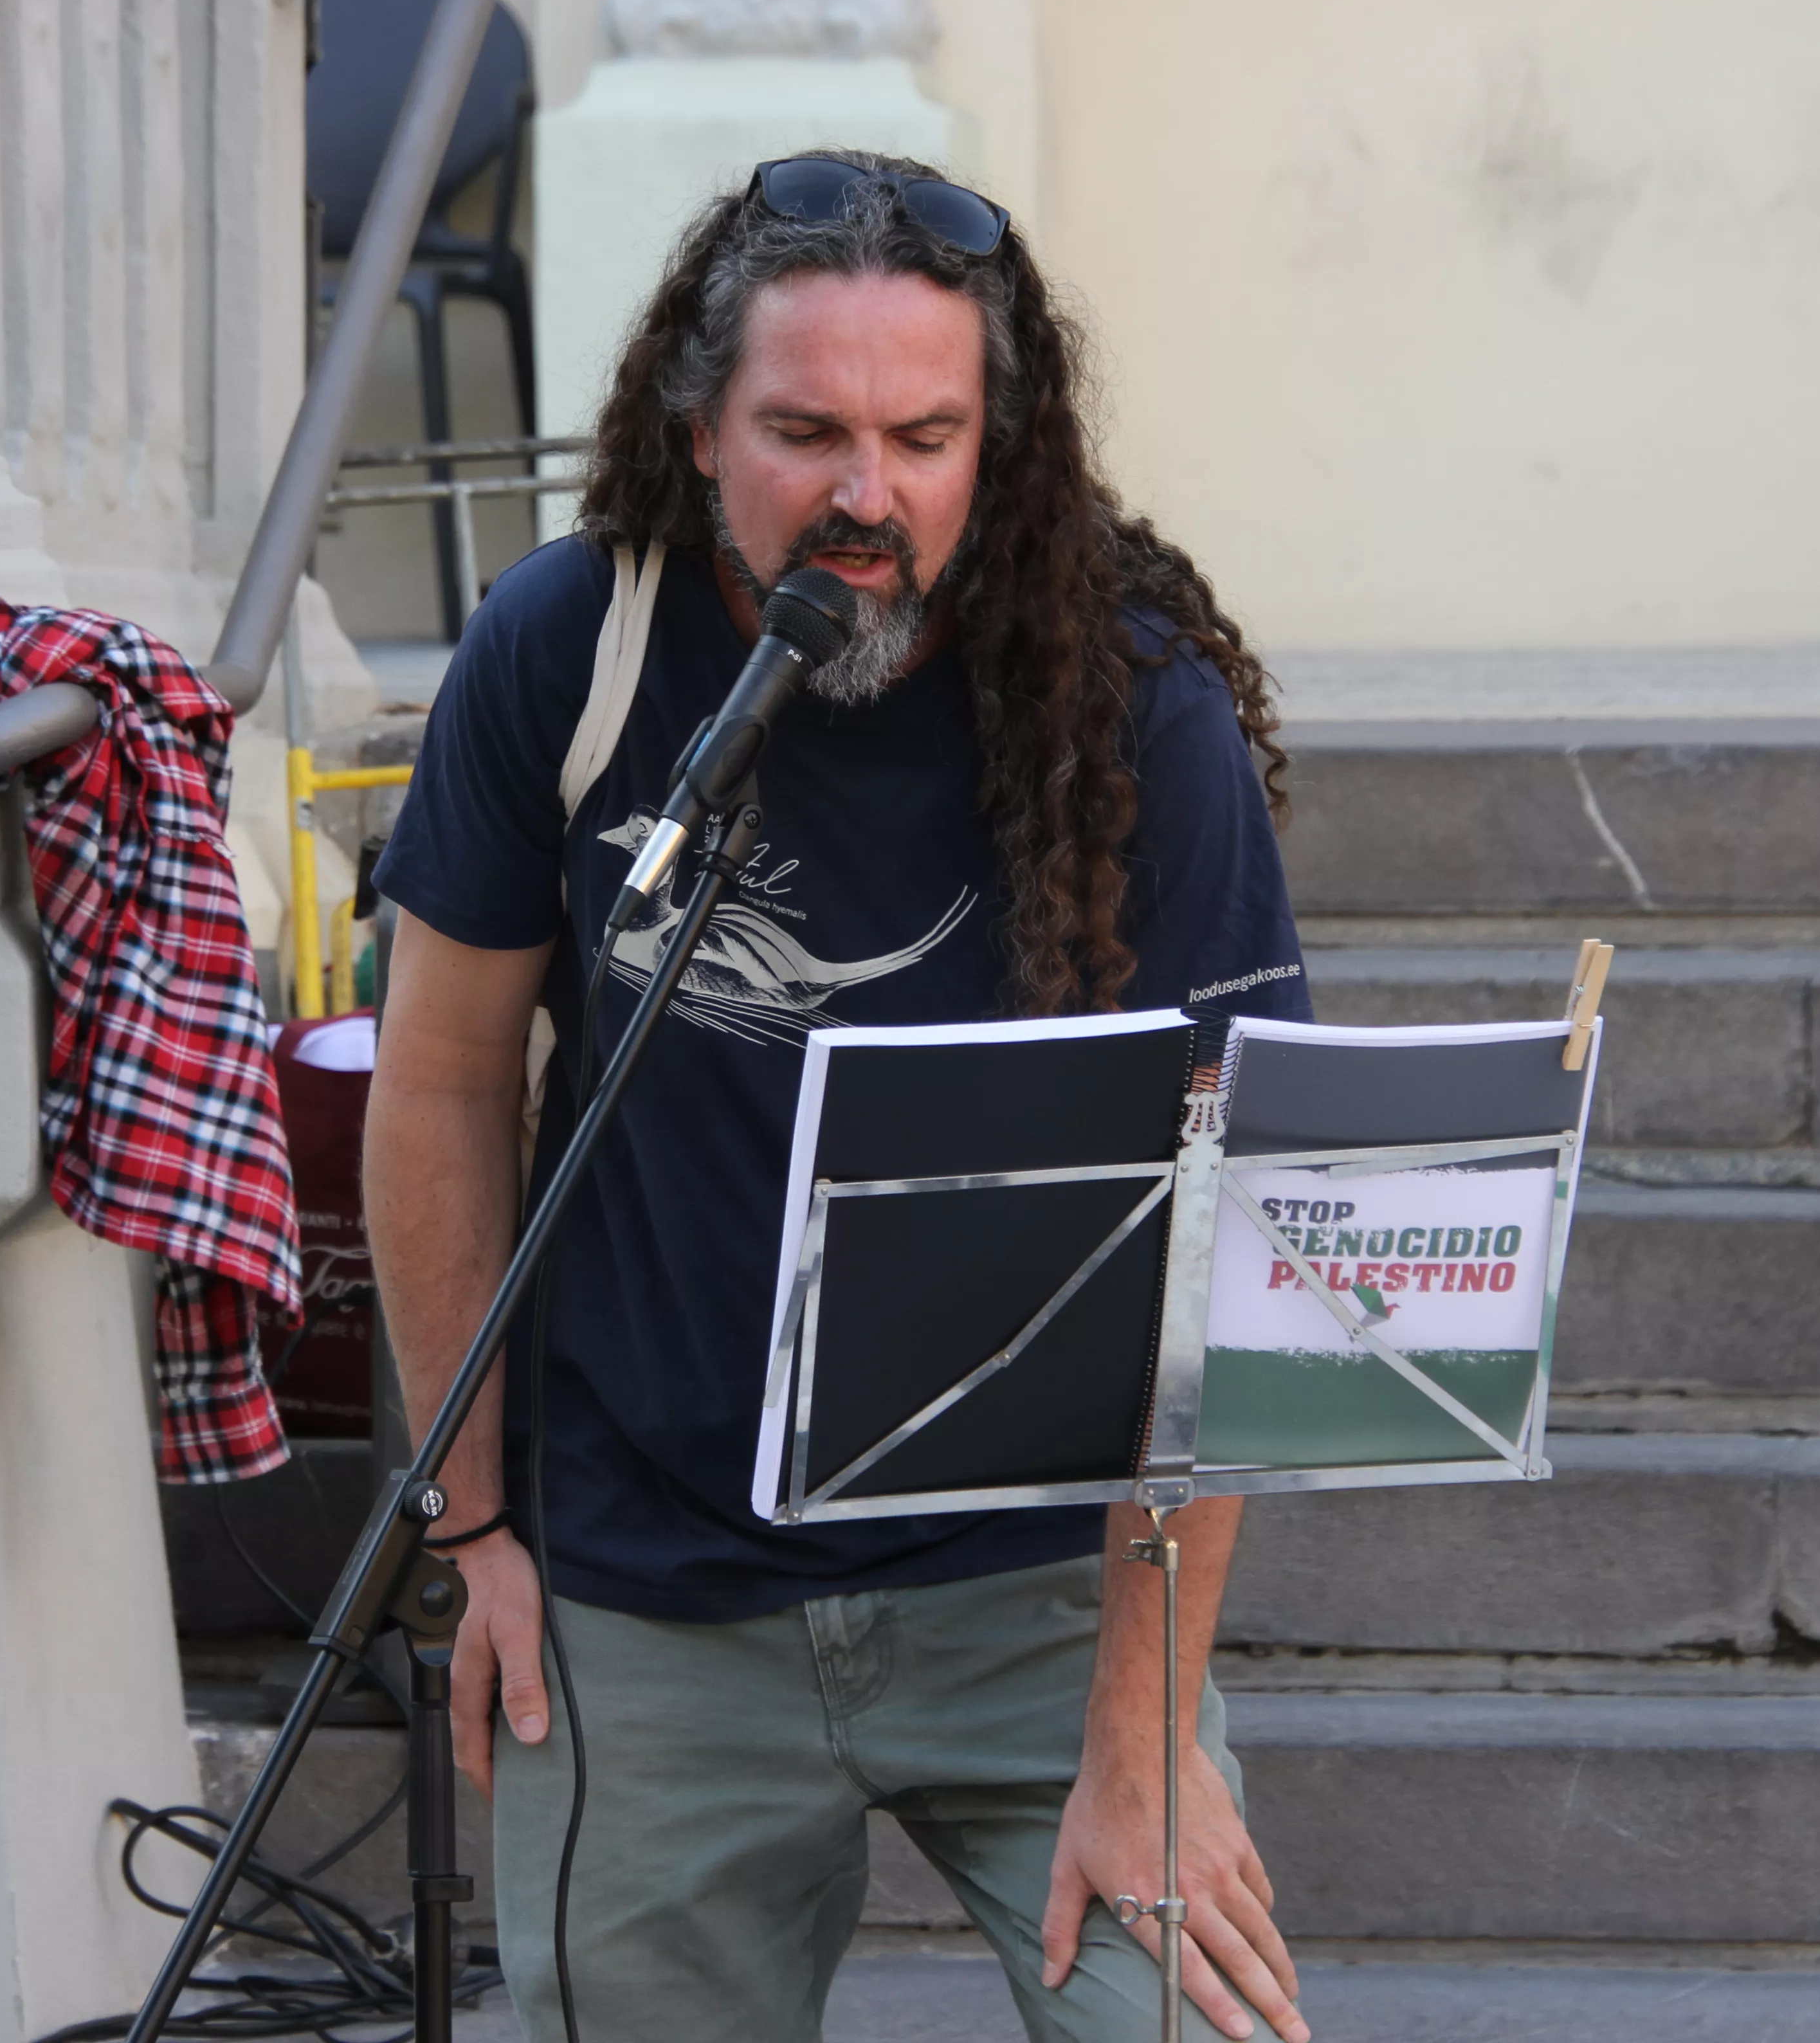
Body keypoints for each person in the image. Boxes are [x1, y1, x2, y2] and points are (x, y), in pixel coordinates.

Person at [364, 151, 1313, 2043]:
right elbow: (446, 1081)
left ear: (997, 448)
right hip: (654, 1584)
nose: (865, 496)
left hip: (1046, 1587)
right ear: (697, 426)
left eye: (923, 435)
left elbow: (1247, 1216)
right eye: (804, 431)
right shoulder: (571, 646)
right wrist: (473, 1535)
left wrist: (1143, 1730)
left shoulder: (1135, 704)